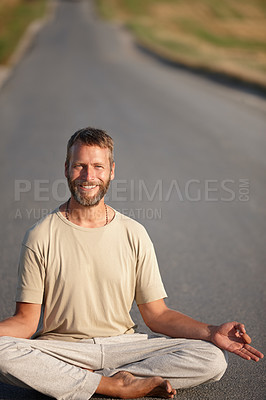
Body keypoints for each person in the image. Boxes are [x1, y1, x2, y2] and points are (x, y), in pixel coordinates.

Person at [0, 127, 263, 400]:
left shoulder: (133, 233)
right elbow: (26, 322)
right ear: (67, 168)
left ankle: (84, 380)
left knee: (212, 357)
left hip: (124, 346)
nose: (88, 177)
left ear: (111, 171)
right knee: (3, 353)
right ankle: (114, 384)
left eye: (98, 167)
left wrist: (211, 332)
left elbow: (157, 315)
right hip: (65, 349)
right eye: (80, 166)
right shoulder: (40, 235)